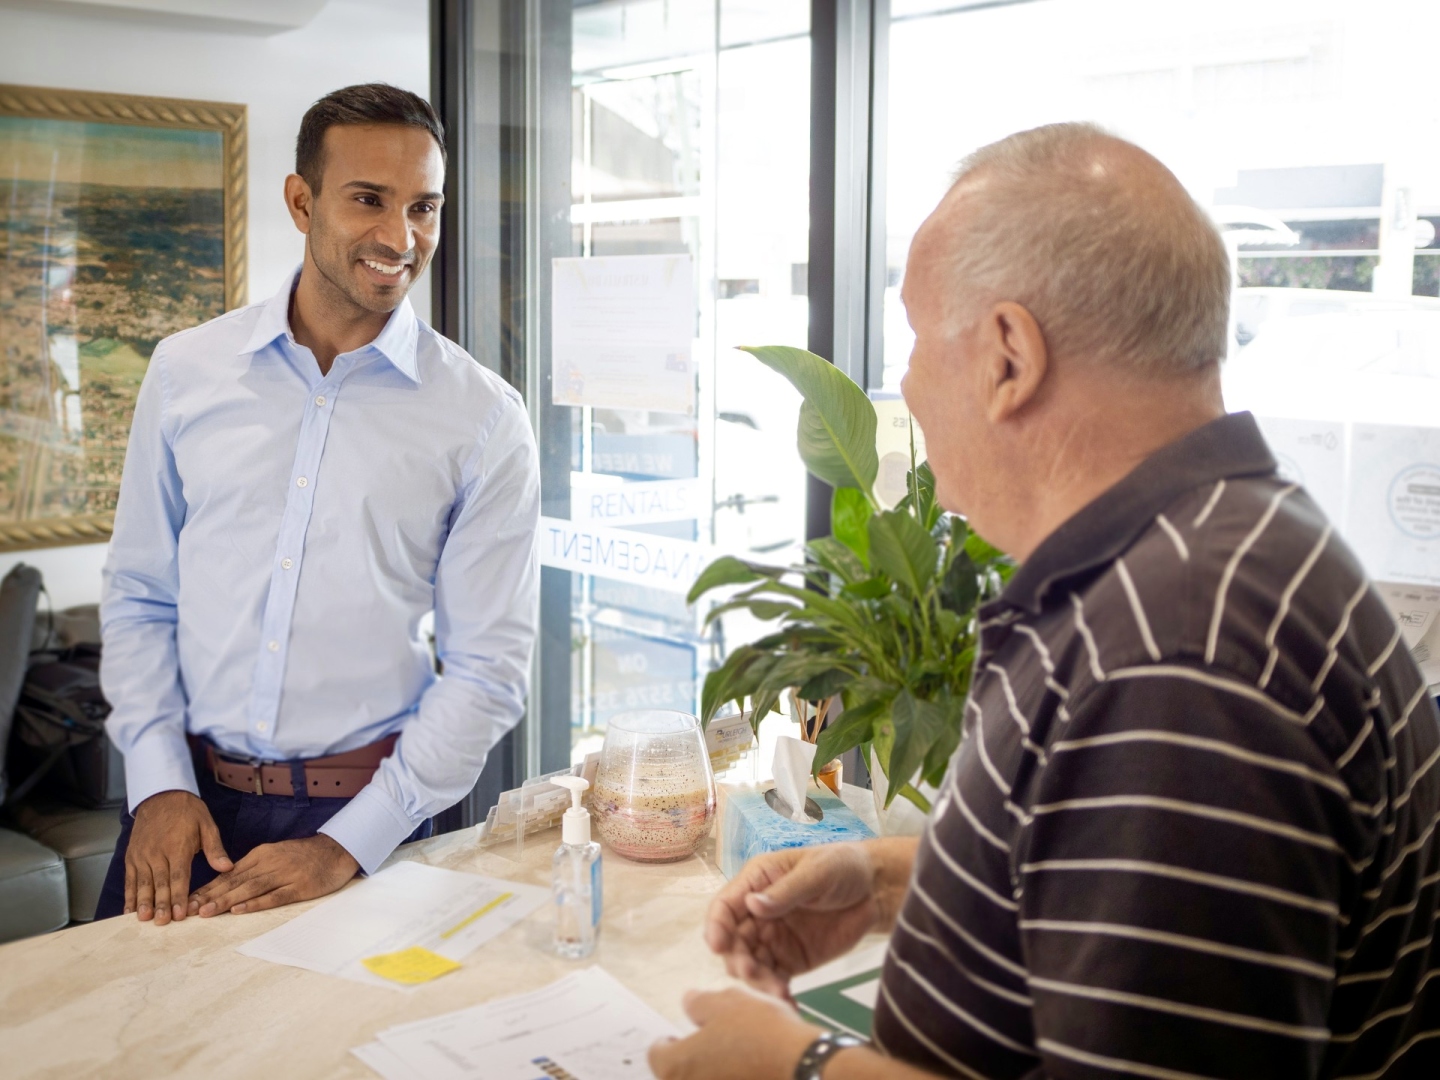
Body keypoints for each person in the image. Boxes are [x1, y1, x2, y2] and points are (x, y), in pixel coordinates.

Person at [651, 124, 1440, 1079]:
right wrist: (887, 885)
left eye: (913, 334)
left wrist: (797, 1068)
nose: (902, 381)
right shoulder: (1211, 554)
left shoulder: (1174, 655)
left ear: (1009, 356)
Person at [94, 84, 539, 925]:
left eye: (424, 207)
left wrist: (347, 844)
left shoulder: (483, 418)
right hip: (179, 810)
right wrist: (155, 782)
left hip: (372, 825)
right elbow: (141, 596)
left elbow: (487, 671)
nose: (400, 238)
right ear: (301, 202)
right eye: (368, 199)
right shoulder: (186, 371)